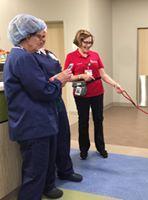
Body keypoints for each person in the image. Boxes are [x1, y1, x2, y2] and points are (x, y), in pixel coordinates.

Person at [4, 14, 72, 200]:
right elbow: (44, 91)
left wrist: (51, 82)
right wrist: (60, 80)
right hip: (33, 127)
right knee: (34, 176)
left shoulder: (22, 56)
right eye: (39, 36)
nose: (42, 40)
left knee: (41, 170)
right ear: (26, 36)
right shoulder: (22, 58)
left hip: (39, 124)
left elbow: (37, 85)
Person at [64, 29, 123, 160]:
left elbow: (103, 74)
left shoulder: (95, 55)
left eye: (90, 42)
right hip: (81, 93)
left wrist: (115, 84)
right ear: (79, 41)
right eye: (85, 42)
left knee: (98, 120)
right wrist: (81, 76)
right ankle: (83, 149)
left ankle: (100, 147)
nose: (88, 45)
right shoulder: (71, 57)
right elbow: (67, 77)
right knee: (83, 121)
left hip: (97, 92)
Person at [33, 48, 82, 182]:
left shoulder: (50, 54)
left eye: (44, 36)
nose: (42, 39)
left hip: (57, 100)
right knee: (50, 141)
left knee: (63, 136)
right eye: (39, 36)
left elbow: (61, 78)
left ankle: (65, 170)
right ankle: (49, 180)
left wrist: (63, 78)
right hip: (45, 103)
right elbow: (39, 84)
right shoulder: (28, 57)